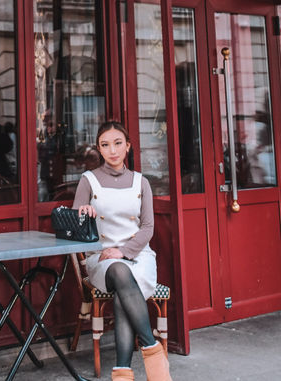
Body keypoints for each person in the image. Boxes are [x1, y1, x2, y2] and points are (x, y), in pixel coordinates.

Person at [73, 120, 173, 381]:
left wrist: (126, 250)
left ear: (128, 146)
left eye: (118, 143)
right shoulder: (89, 180)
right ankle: (152, 348)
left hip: (139, 257)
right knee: (118, 271)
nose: (112, 150)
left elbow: (148, 227)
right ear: (99, 148)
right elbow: (73, 227)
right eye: (105, 145)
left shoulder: (141, 182)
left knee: (123, 293)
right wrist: (84, 216)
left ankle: (122, 373)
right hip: (102, 259)